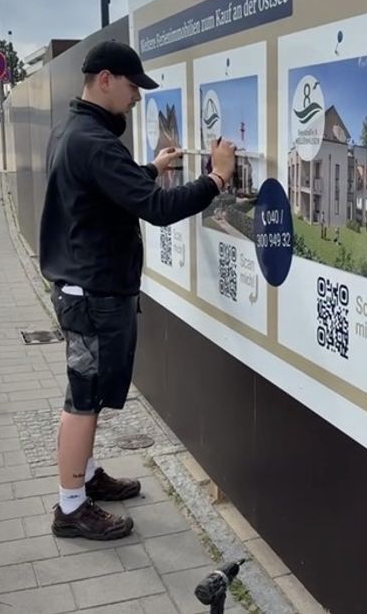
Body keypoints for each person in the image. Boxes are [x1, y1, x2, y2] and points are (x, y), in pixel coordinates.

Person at [39, 40, 237, 540]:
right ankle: (70, 507)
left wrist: (150, 168)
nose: (137, 98)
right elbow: (158, 208)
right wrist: (216, 178)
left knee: (91, 394)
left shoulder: (73, 131)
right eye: (133, 87)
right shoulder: (94, 141)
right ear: (105, 79)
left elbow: (105, 189)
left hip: (85, 287)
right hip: (92, 293)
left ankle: (84, 477)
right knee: (82, 398)